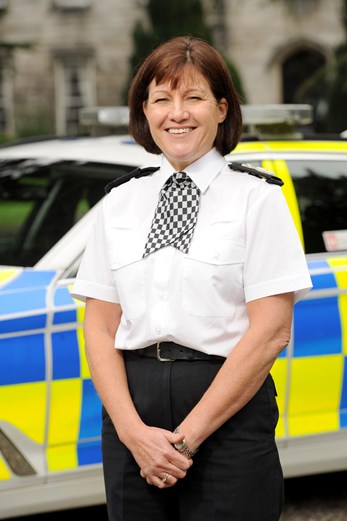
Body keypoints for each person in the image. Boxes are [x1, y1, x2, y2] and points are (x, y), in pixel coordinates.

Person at [71, 35, 312, 521]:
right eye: (162, 99)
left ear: (222, 109)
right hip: (132, 416)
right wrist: (133, 433)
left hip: (227, 412)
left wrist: (186, 439)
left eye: (194, 97)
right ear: (145, 111)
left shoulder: (257, 200)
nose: (176, 113)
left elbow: (270, 331)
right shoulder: (120, 201)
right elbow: (99, 326)